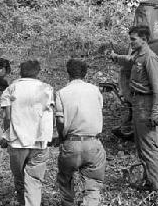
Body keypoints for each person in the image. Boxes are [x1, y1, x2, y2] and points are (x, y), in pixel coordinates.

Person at [110, 25, 158, 194]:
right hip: (138, 104)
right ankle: (152, 181)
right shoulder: (138, 56)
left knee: (149, 146)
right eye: (131, 39)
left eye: (134, 39)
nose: (131, 42)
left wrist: (156, 111)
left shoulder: (150, 58)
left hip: (146, 105)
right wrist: (115, 57)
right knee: (141, 146)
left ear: (144, 39)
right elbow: (128, 61)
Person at [0, 60, 54, 206]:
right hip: (39, 141)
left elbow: (7, 116)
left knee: (19, 179)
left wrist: (6, 134)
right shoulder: (46, 88)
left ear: (20, 71)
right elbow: (49, 114)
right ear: (38, 72)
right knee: (34, 182)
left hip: (18, 142)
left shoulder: (12, 88)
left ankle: (22, 202)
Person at [55, 58, 106, 206]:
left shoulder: (62, 93)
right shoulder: (95, 90)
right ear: (85, 73)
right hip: (93, 143)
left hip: (72, 143)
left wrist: (61, 136)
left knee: (65, 180)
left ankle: (68, 203)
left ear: (68, 72)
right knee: (93, 185)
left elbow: (60, 121)